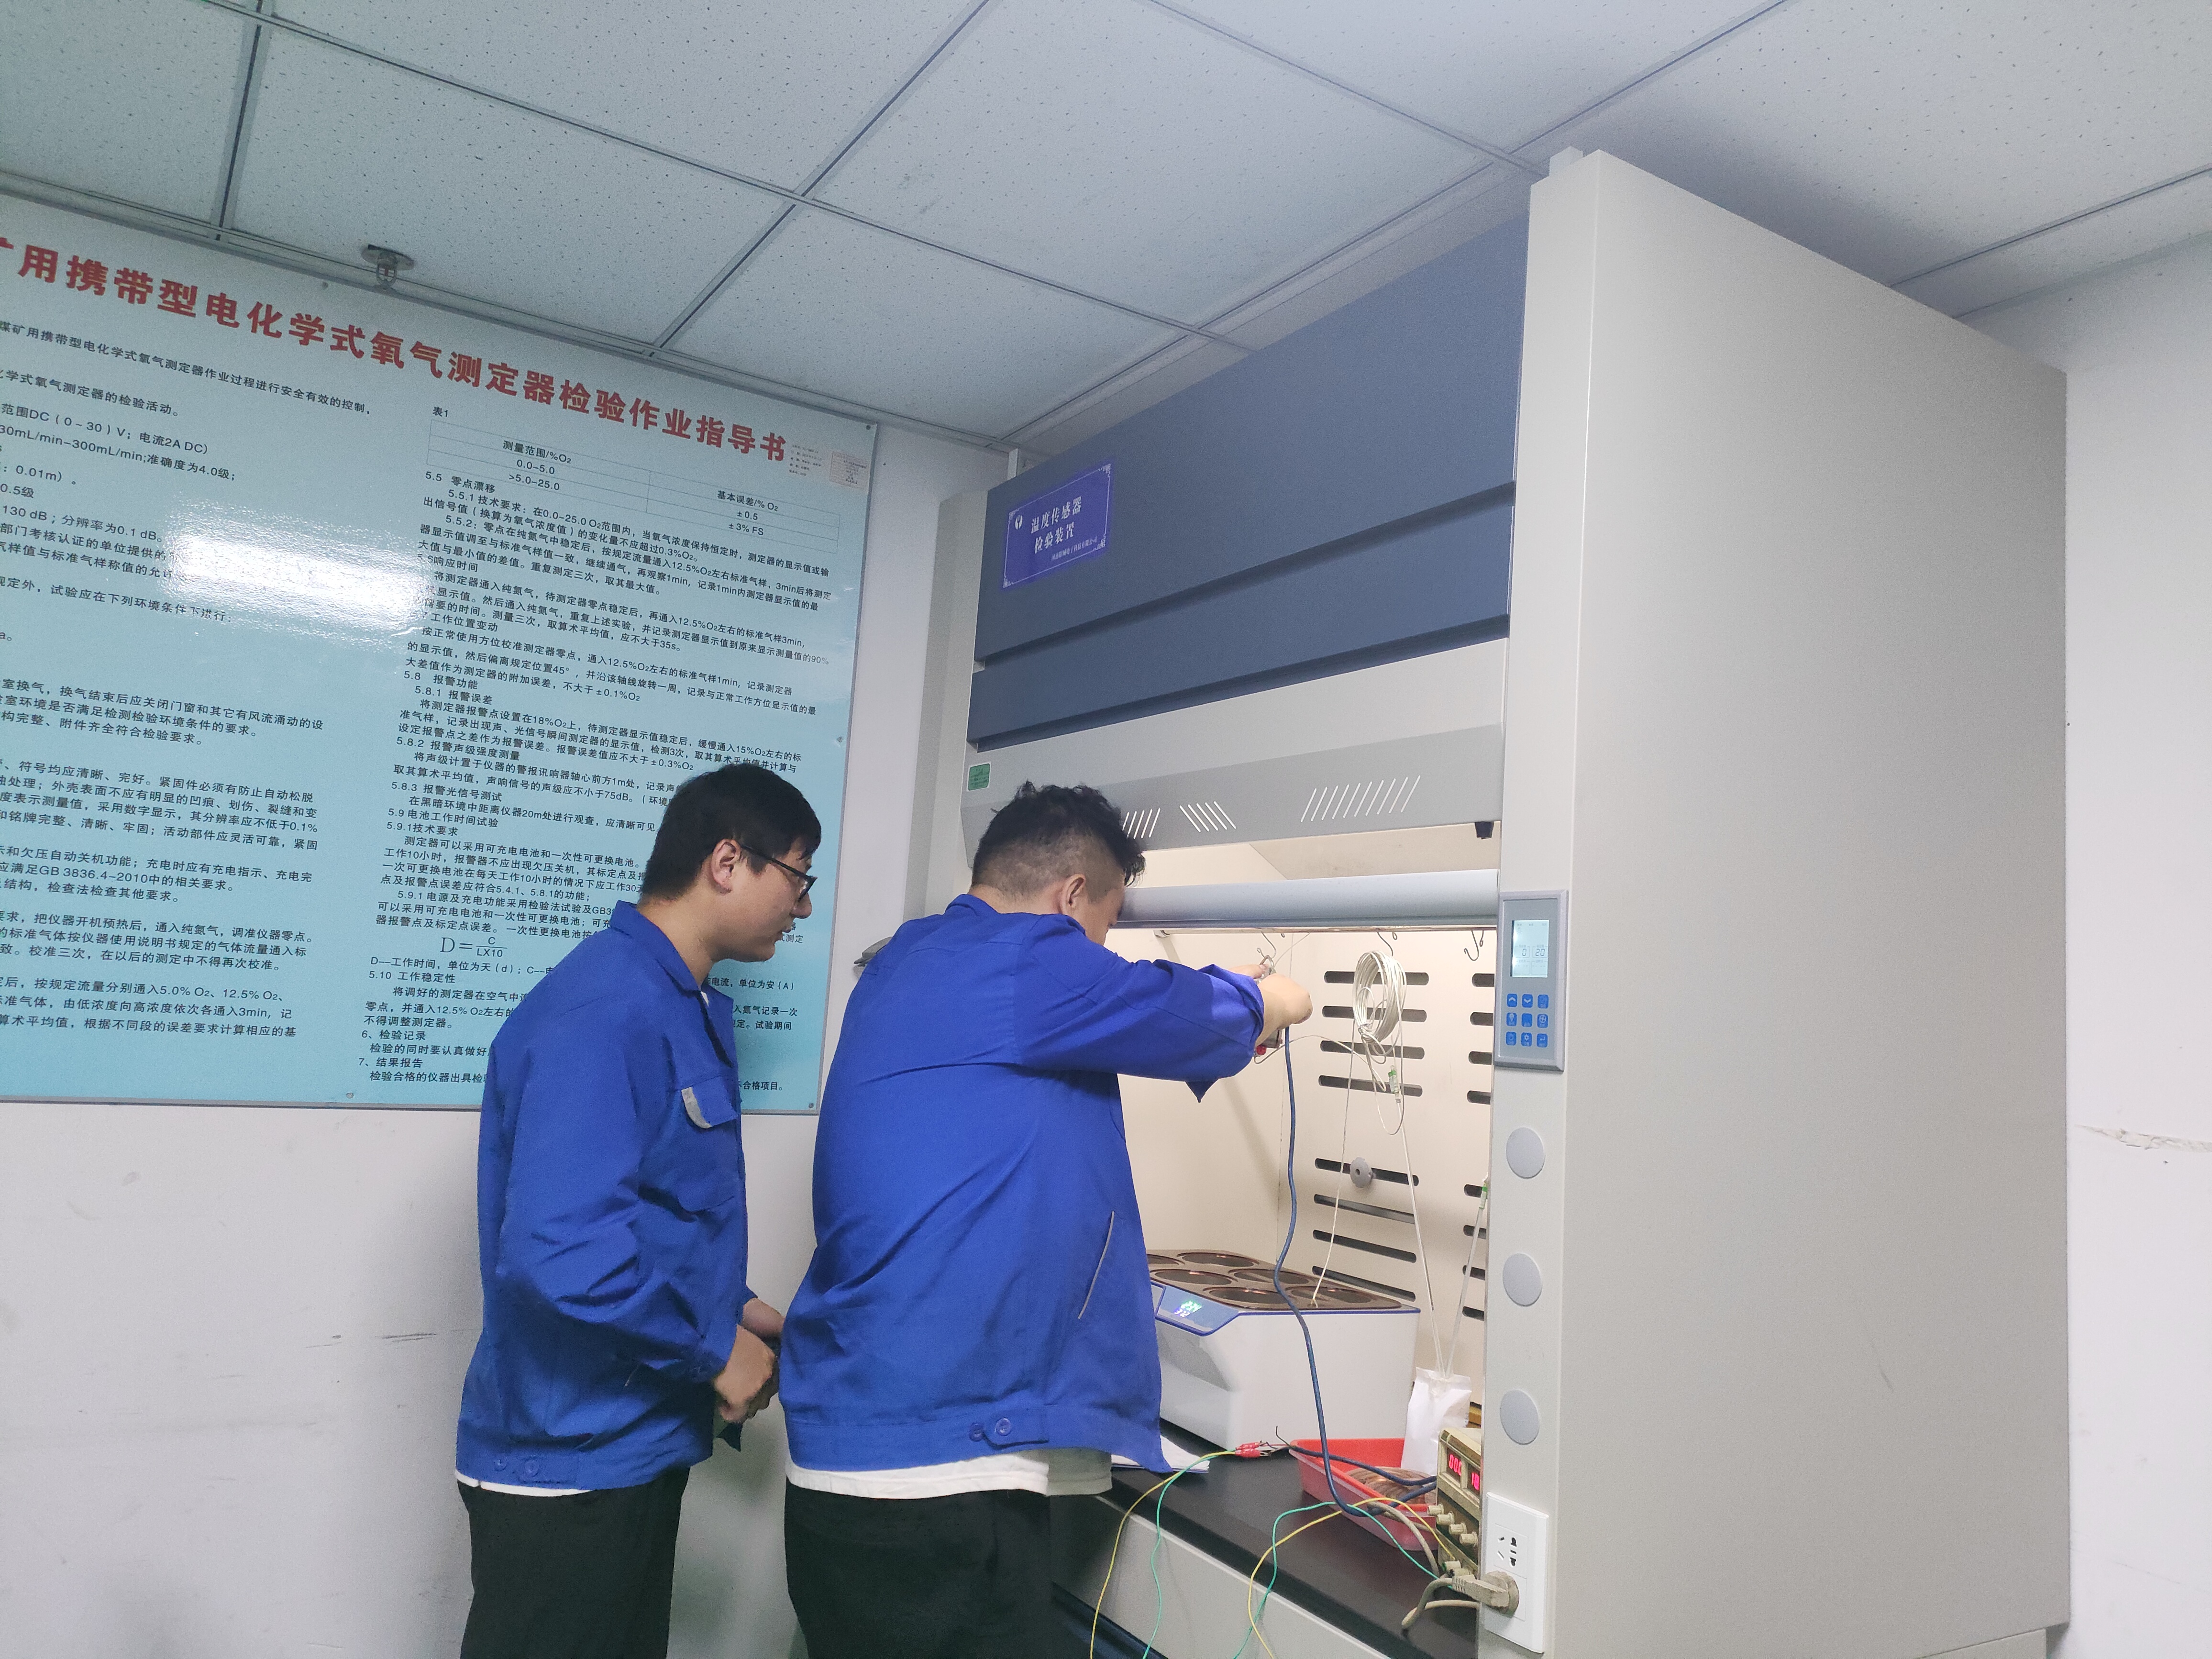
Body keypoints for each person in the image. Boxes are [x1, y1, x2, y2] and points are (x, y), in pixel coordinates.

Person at [778, 781, 1312, 1659]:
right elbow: (1195, 1010)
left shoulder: (909, 958)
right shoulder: (1026, 957)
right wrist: (1278, 998)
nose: (1099, 955)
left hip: (860, 1461)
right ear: (1071, 897)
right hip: (939, 1486)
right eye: (1105, 927)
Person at [453, 762, 821, 1659]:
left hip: (627, 1445)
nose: (803, 907)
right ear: (728, 862)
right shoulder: (606, 1009)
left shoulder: (671, 1002)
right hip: (570, 1464)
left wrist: (734, 1309)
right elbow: (561, 1252)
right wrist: (710, 1349)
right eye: (798, 877)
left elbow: (648, 1213)